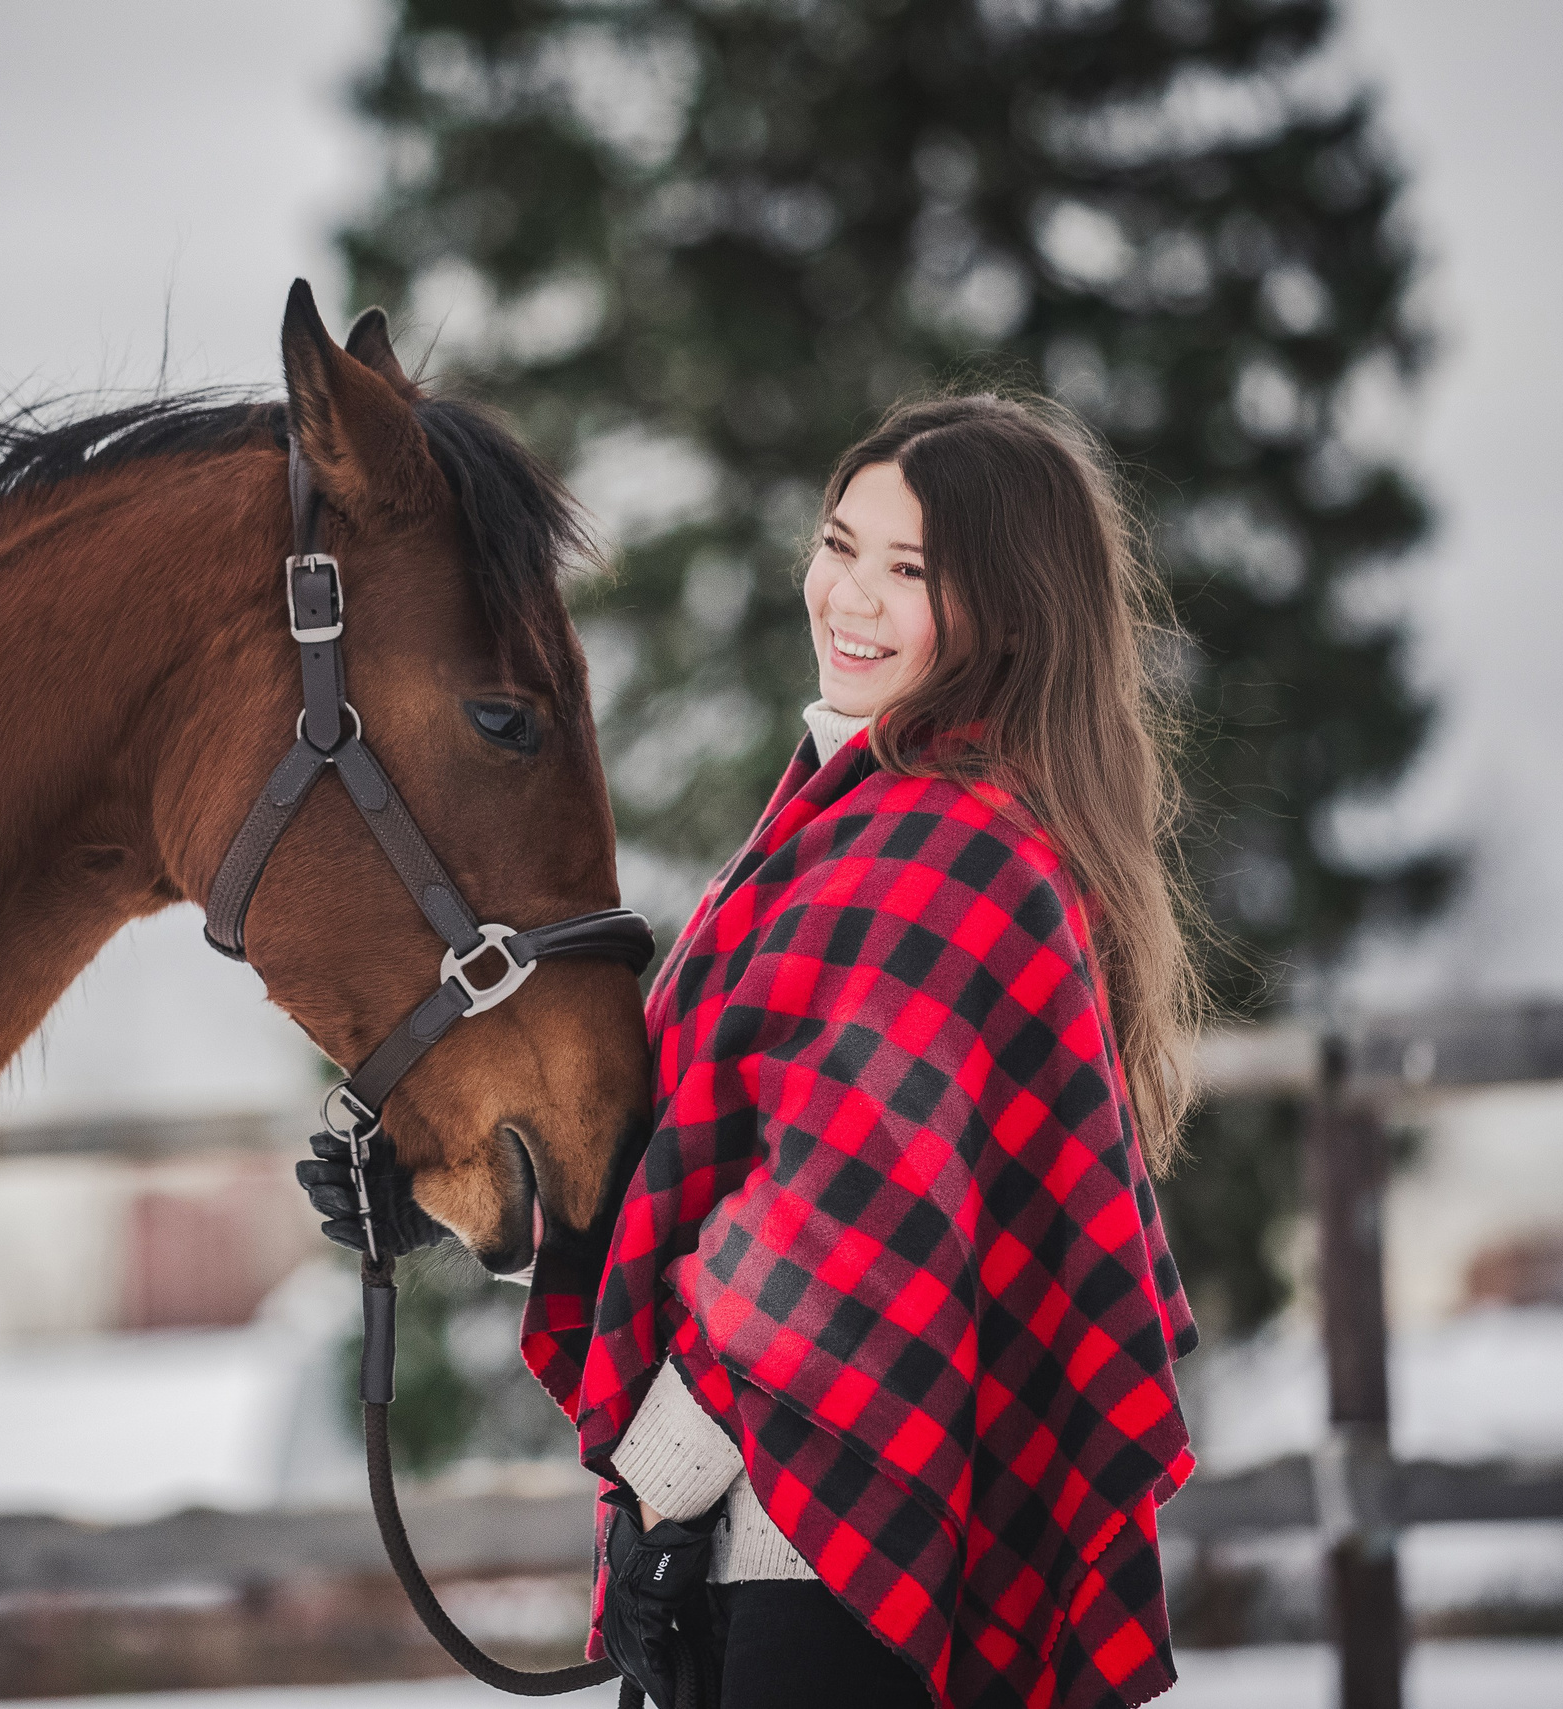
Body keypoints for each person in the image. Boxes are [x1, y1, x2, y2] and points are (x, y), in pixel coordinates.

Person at [306, 390, 1204, 1709]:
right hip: (753, 1542)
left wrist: (664, 1496)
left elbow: (828, 1251)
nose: (850, 593)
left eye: (911, 571)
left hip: (836, 1566)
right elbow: (695, 1183)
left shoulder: (950, 850)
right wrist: (450, 1197)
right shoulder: (828, 829)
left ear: (1004, 612)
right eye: (841, 544)